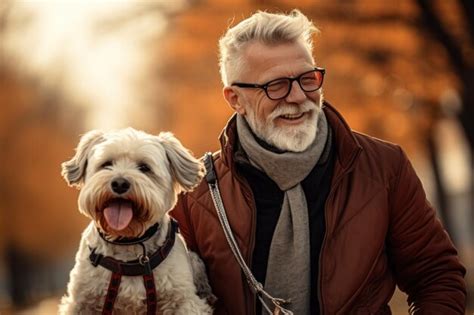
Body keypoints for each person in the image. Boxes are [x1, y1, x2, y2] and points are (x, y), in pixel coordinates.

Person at [171, 9, 466, 315]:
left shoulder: (384, 167)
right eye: (276, 85)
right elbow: (175, 299)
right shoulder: (197, 195)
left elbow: (436, 276)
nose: (299, 96)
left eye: (307, 79)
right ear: (235, 99)